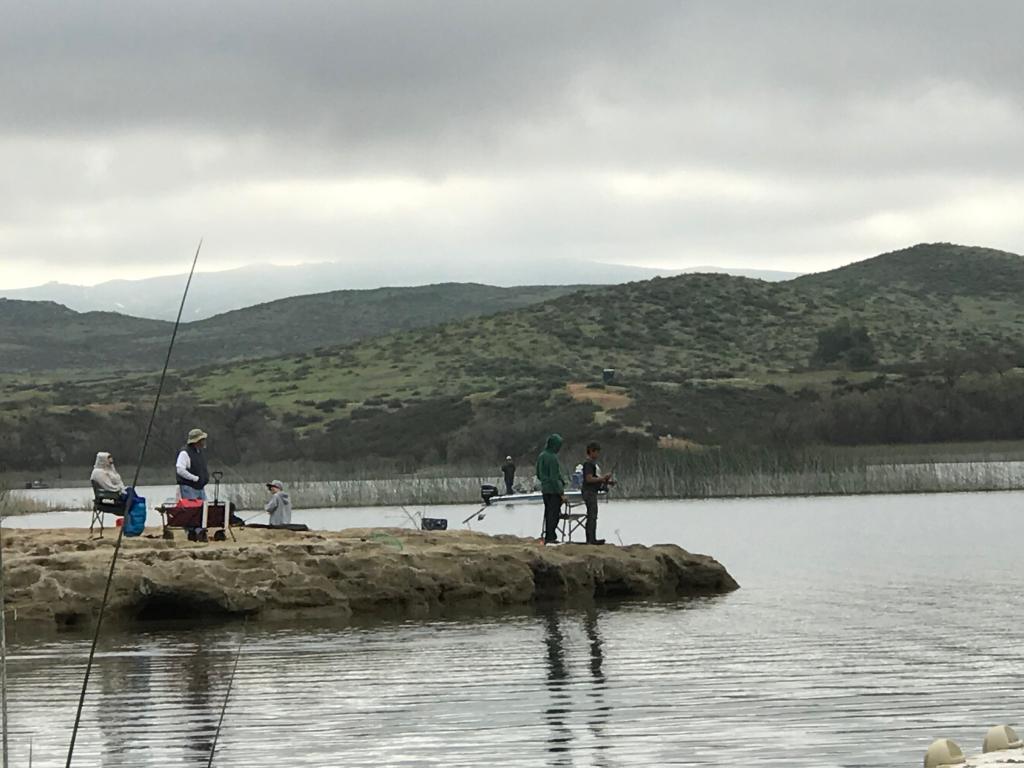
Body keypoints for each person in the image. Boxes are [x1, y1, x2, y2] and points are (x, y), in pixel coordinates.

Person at [581, 441, 615, 545]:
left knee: (593, 515)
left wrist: (607, 481)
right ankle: (591, 540)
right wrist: (603, 478)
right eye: (596, 452)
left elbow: (595, 479)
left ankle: (592, 538)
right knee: (592, 516)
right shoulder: (588, 464)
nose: (598, 455)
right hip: (589, 492)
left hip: (592, 491)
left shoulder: (592, 465)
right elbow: (589, 479)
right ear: (591, 451)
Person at [535, 434, 566, 544]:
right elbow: (554, 477)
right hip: (553, 490)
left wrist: (545, 481)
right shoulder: (552, 458)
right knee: (554, 514)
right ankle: (551, 537)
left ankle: (548, 535)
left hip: (545, 489)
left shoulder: (541, 456)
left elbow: (538, 474)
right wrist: (561, 492)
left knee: (548, 513)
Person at [175, 428, 210, 500]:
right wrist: (194, 478)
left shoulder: (199, 452)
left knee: (204, 509)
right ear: (197, 441)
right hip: (188, 488)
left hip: (200, 488)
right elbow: (180, 470)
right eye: (202, 440)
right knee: (191, 509)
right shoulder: (184, 453)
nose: (204, 441)